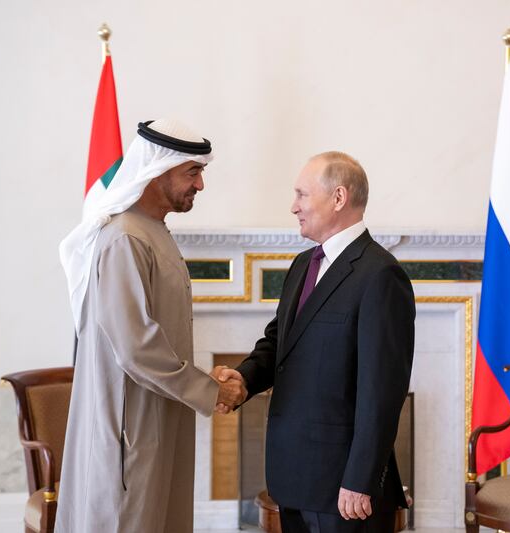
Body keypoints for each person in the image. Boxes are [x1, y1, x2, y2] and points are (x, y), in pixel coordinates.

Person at [56, 118, 247, 533]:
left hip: (156, 417)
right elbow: (137, 347)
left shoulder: (152, 231)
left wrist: (204, 382)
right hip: (131, 430)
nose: (200, 186)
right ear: (157, 170)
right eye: (192, 172)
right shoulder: (125, 237)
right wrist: (209, 388)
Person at [218, 151, 415, 532]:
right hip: (294, 479)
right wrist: (242, 381)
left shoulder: (381, 276)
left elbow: (383, 393)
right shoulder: (302, 265)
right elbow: (279, 345)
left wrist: (360, 480)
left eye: (302, 195)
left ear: (338, 198)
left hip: (344, 490)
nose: (294, 207)